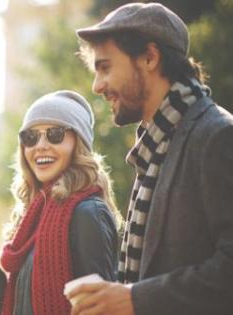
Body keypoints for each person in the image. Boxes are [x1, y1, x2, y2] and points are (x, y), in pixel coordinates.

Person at [68, 3, 233, 315]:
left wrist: (135, 299)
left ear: (149, 57)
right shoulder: (155, 144)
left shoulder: (216, 136)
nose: (97, 86)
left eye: (105, 68)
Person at [0, 90, 121, 315]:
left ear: (79, 143)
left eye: (55, 134)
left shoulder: (87, 213)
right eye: (31, 137)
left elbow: (101, 309)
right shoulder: (33, 216)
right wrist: (4, 292)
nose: (40, 146)